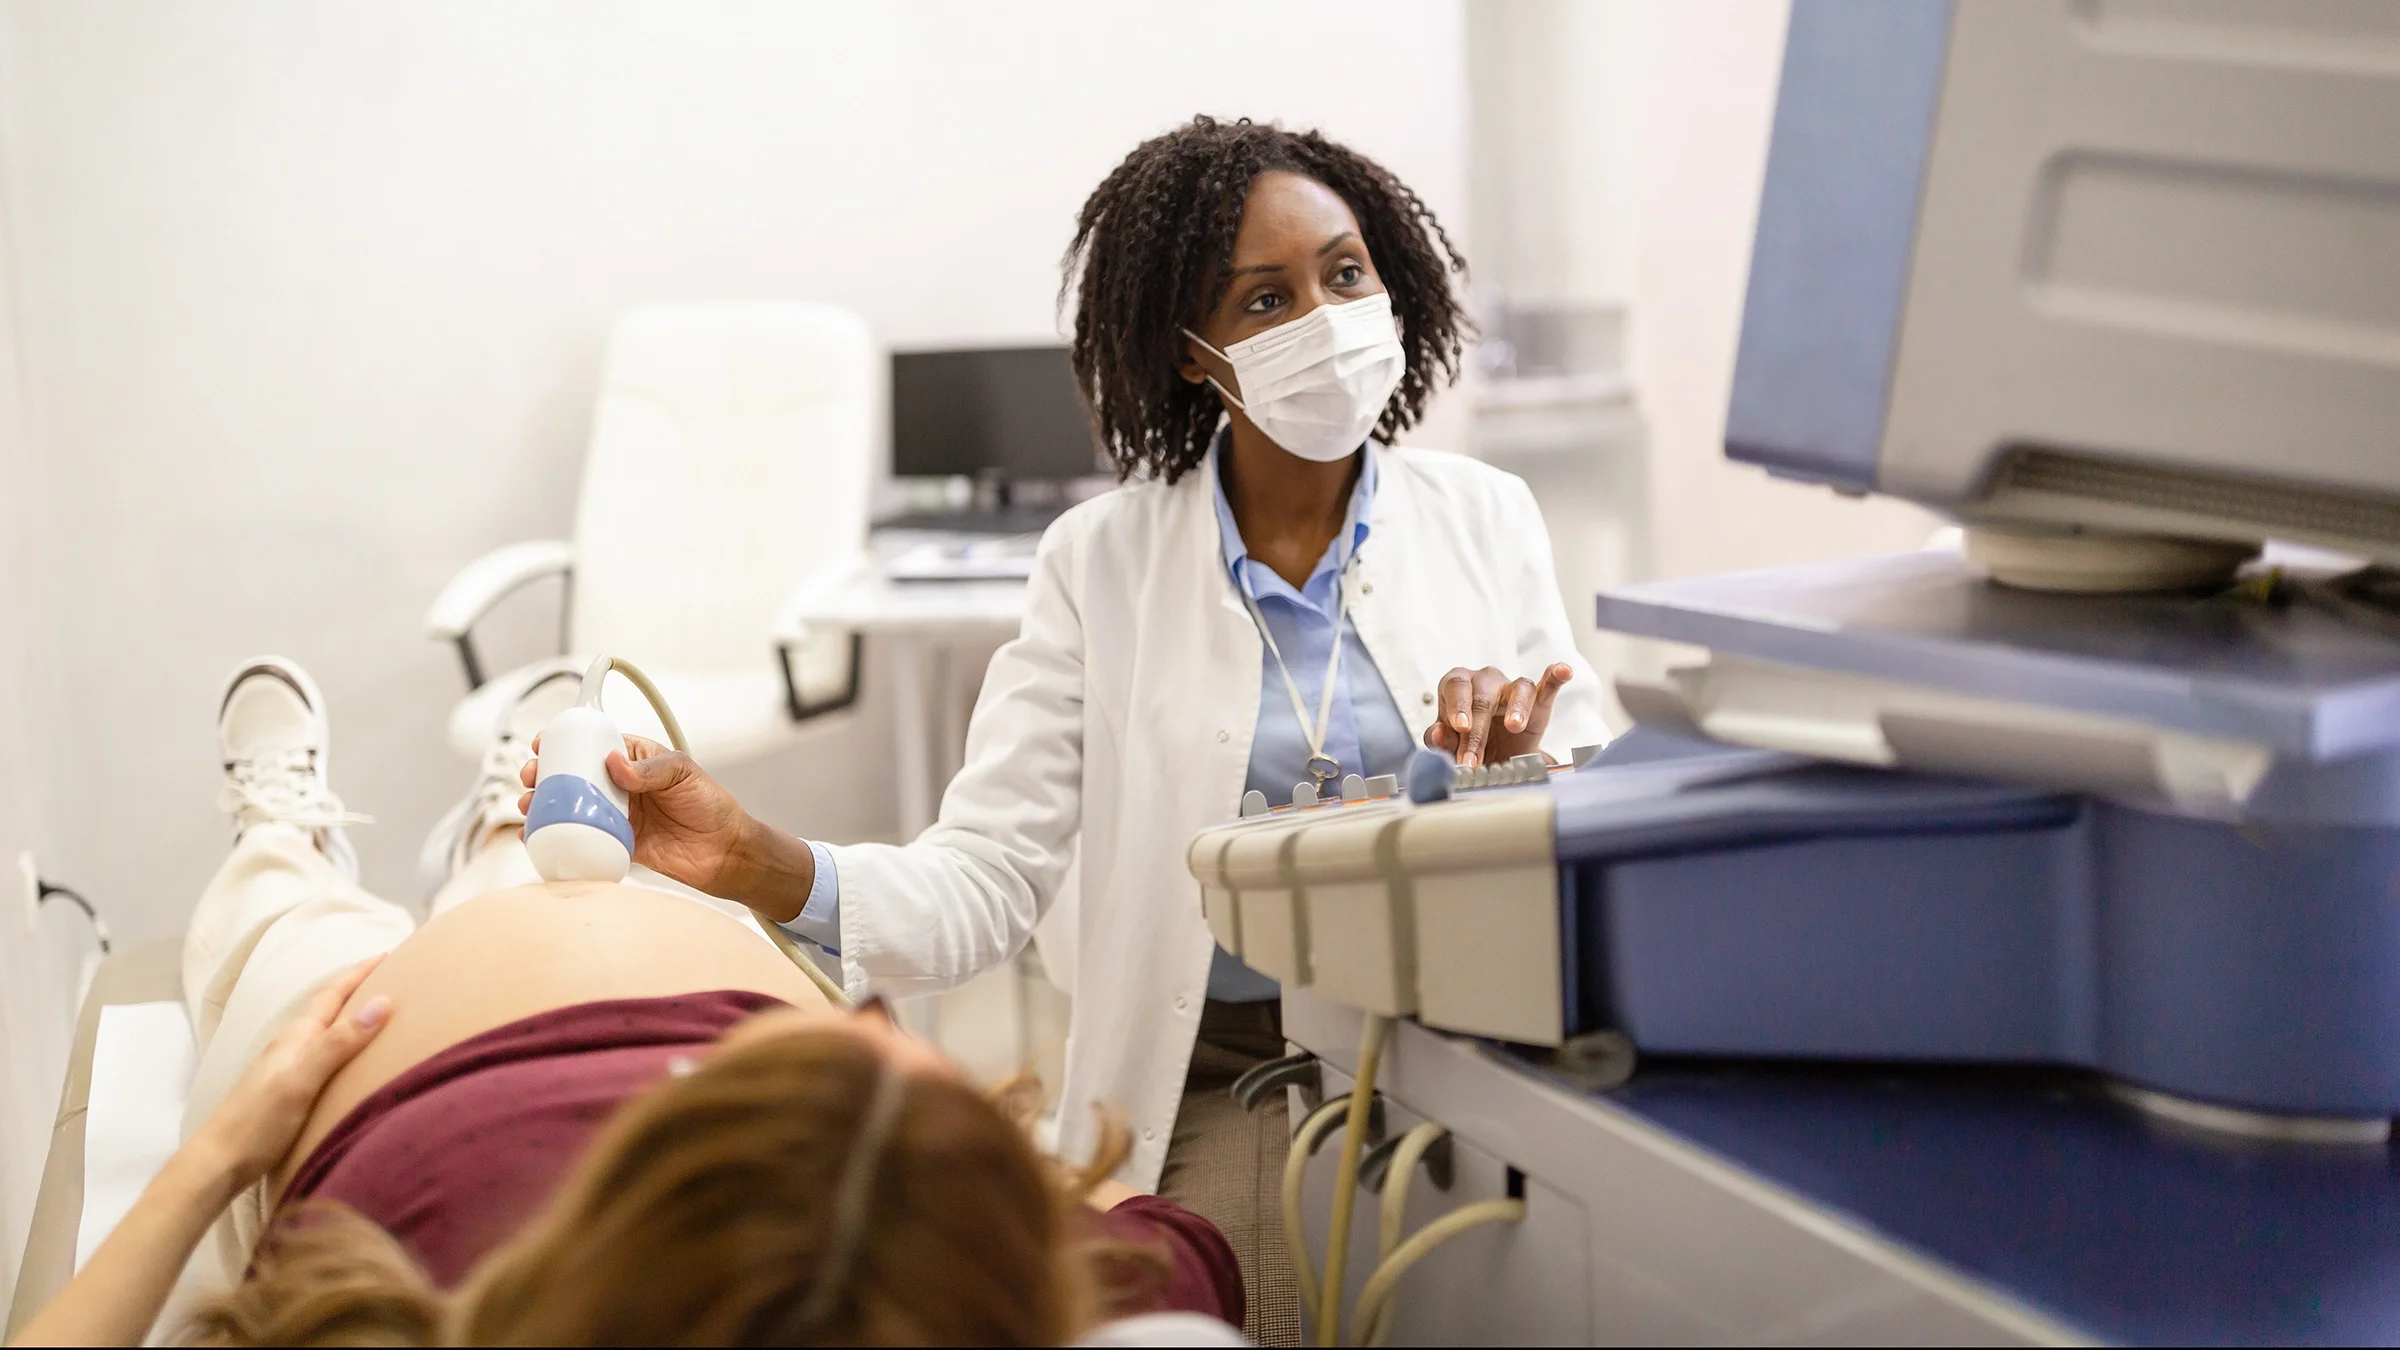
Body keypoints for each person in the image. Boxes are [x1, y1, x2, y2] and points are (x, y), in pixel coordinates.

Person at [555, 115, 1610, 1345]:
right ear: (1192, 354)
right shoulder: (1098, 564)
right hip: (1230, 1073)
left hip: (1460, 1050)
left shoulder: (1487, 516)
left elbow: (1589, 800)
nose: (1326, 320)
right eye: (1265, 300)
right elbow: (987, 882)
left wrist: (1516, 783)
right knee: (1248, 1316)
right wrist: (752, 861)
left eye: (1344, 272)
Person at [7, 658, 1244, 1347]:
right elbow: (1182, 1247)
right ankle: (505, 822)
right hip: (669, 972)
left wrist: (223, 1149)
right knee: (527, 864)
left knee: (283, 926)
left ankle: (286, 841)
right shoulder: (1010, 1299)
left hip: (364, 1065)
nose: (878, 1030)